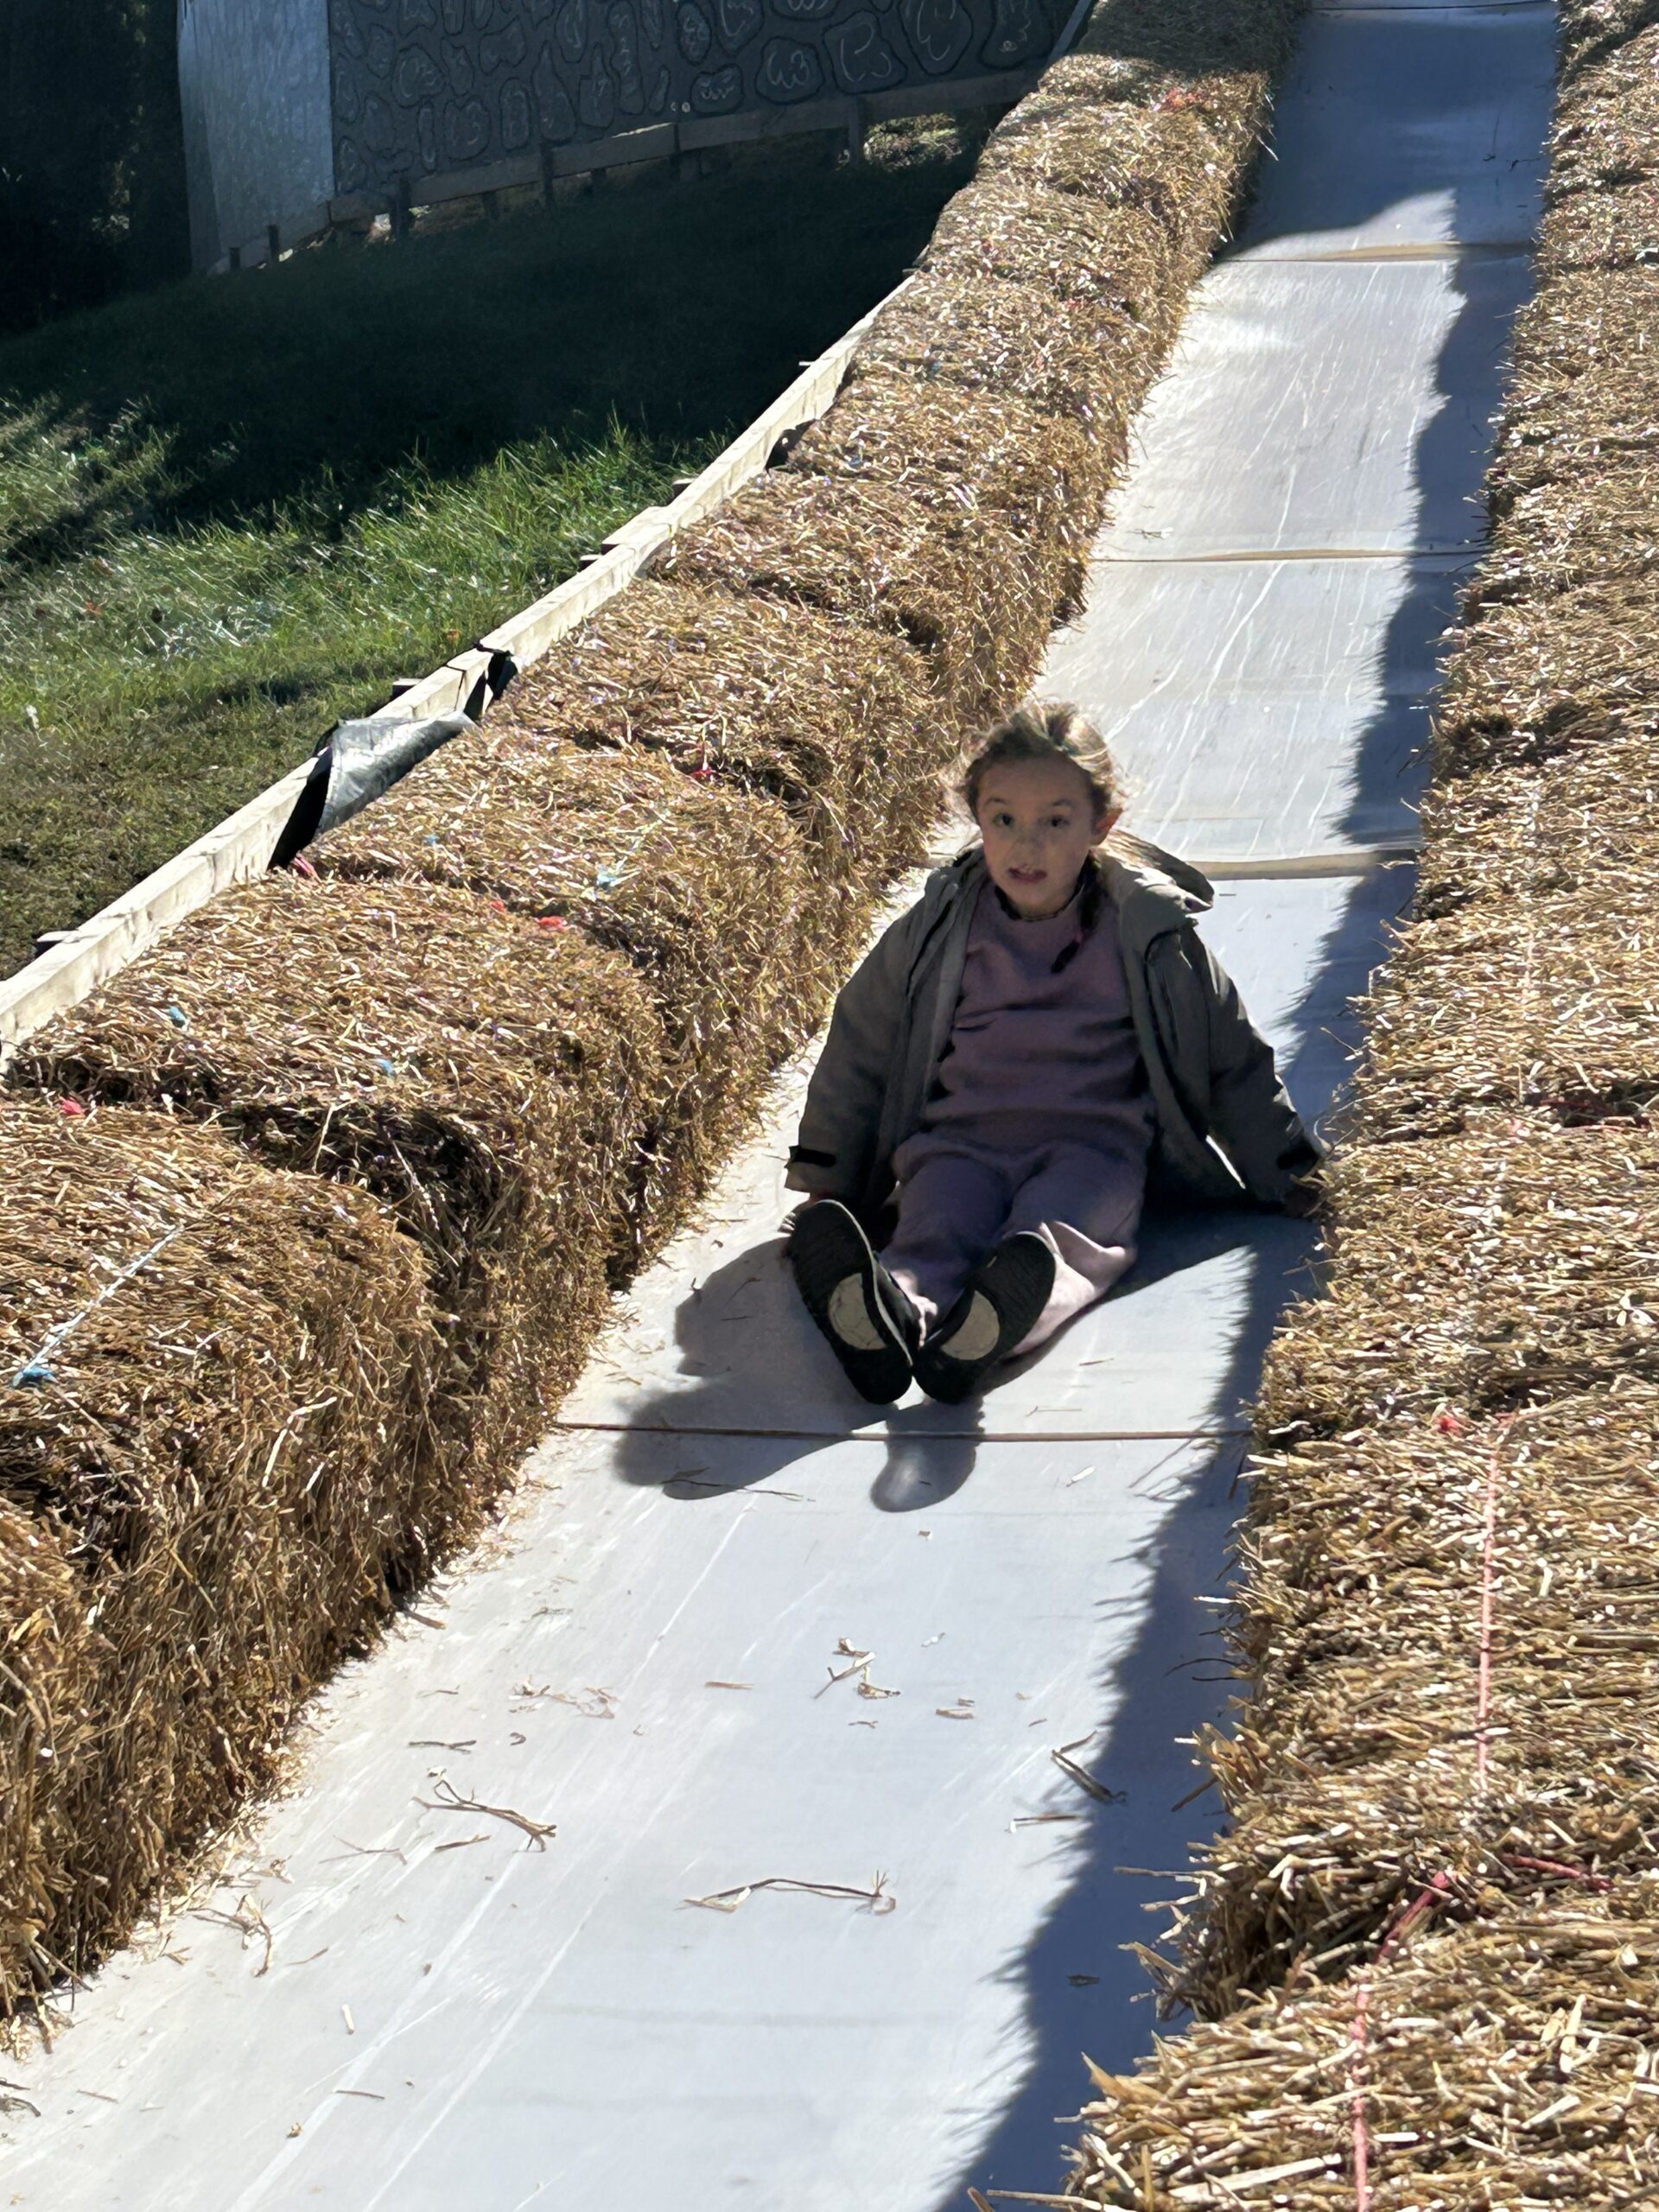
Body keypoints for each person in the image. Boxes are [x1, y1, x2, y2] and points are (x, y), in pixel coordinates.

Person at [784, 702, 1322, 1406]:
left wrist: (1285, 1171)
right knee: (931, 1232)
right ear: (975, 817)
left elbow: (1230, 1059)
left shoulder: (1149, 931)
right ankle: (892, 1314)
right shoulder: (942, 926)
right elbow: (863, 1042)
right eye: (1003, 819)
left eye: (1054, 822)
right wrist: (833, 1178)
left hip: (1092, 1146)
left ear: (1102, 824)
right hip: (959, 1140)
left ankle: (995, 1327)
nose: (1025, 846)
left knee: (1057, 1240)